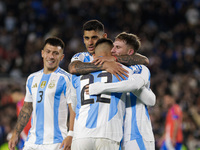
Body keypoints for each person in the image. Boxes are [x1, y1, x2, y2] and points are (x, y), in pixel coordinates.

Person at [71, 38, 155, 150]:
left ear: (129, 53)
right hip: (115, 134)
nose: (113, 51)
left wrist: (102, 88)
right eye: (112, 48)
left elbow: (151, 100)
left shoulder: (137, 68)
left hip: (136, 133)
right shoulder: (121, 71)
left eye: (117, 47)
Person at [8, 37, 76, 150]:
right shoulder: (32, 78)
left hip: (56, 142)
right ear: (42, 53)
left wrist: (71, 134)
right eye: (48, 52)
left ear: (61, 57)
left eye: (56, 53)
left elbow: (73, 107)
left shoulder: (66, 79)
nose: (51, 56)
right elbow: (26, 108)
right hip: (32, 141)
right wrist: (16, 132)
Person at [68, 20, 149, 80]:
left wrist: (114, 58)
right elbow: (73, 68)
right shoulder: (81, 56)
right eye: (87, 38)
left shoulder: (114, 54)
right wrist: (104, 65)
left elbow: (144, 60)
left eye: (94, 38)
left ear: (104, 37)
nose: (90, 43)